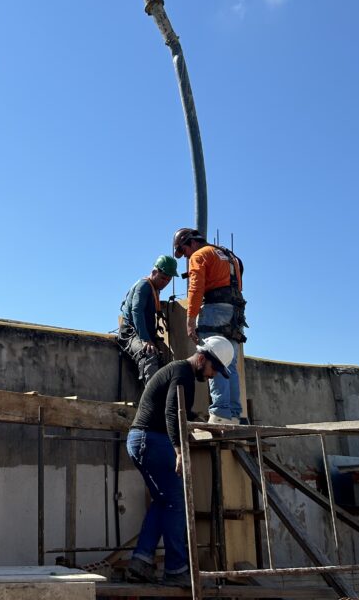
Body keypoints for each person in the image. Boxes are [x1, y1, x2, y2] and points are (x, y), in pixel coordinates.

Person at [125, 336, 235, 584]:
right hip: (151, 440)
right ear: (202, 358)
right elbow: (172, 413)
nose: (213, 375)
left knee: (163, 501)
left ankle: (141, 561)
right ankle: (176, 570)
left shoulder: (179, 372)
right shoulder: (183, 373)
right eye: (214, 368)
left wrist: (206, 424)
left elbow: (180, 411)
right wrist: (179, 451)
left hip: (141, 440)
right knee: (177, 501)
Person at [172, 228, 247, 424]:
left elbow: (195, 288)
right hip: (235, 312)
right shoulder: (228, 255)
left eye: (184, 251)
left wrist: (190, 320)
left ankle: (221, 413)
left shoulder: (200, 255)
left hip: (215, 310)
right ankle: (234, 415)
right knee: (228, 363)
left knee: (213, 360)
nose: (186, 256)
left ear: (190, 243)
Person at [118, 256, 178, 382]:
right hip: (130, 333)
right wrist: (145, 340)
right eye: (163, 278)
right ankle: (152, 400)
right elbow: (137, 311)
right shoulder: (144, 285)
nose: (165, 282)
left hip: (143, 334)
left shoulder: (154, 289)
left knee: (162, 361)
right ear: (154, 272)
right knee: (148, 354)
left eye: (168, 280)